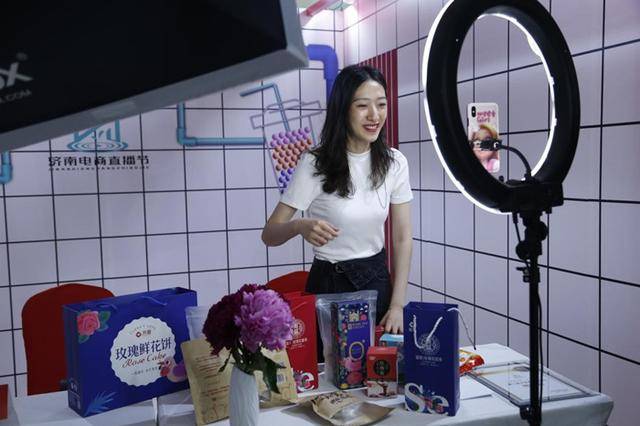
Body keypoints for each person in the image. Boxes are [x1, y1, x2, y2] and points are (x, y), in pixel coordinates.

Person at [261, 65, 413, 334]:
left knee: (378, 360)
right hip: (329, 285)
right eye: (362, 106)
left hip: (377, 282)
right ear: (343, 109)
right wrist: (299, 226)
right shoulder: (315, 163)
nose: (374, 115)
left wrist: (398, 305)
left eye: (381, 104)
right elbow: (270, 234)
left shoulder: (394, 163)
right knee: (328, 361)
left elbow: (402, 238)